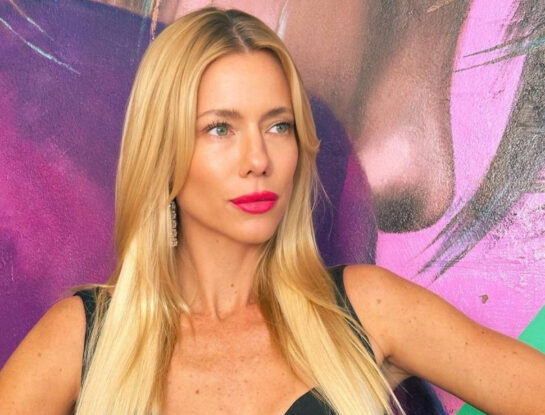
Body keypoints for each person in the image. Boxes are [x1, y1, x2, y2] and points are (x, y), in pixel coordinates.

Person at [0, 7, 544, 415]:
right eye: (220, 128)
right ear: (161, 150)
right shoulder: (82, 337)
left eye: (278, 126)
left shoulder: (366, 307)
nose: (258, 159)